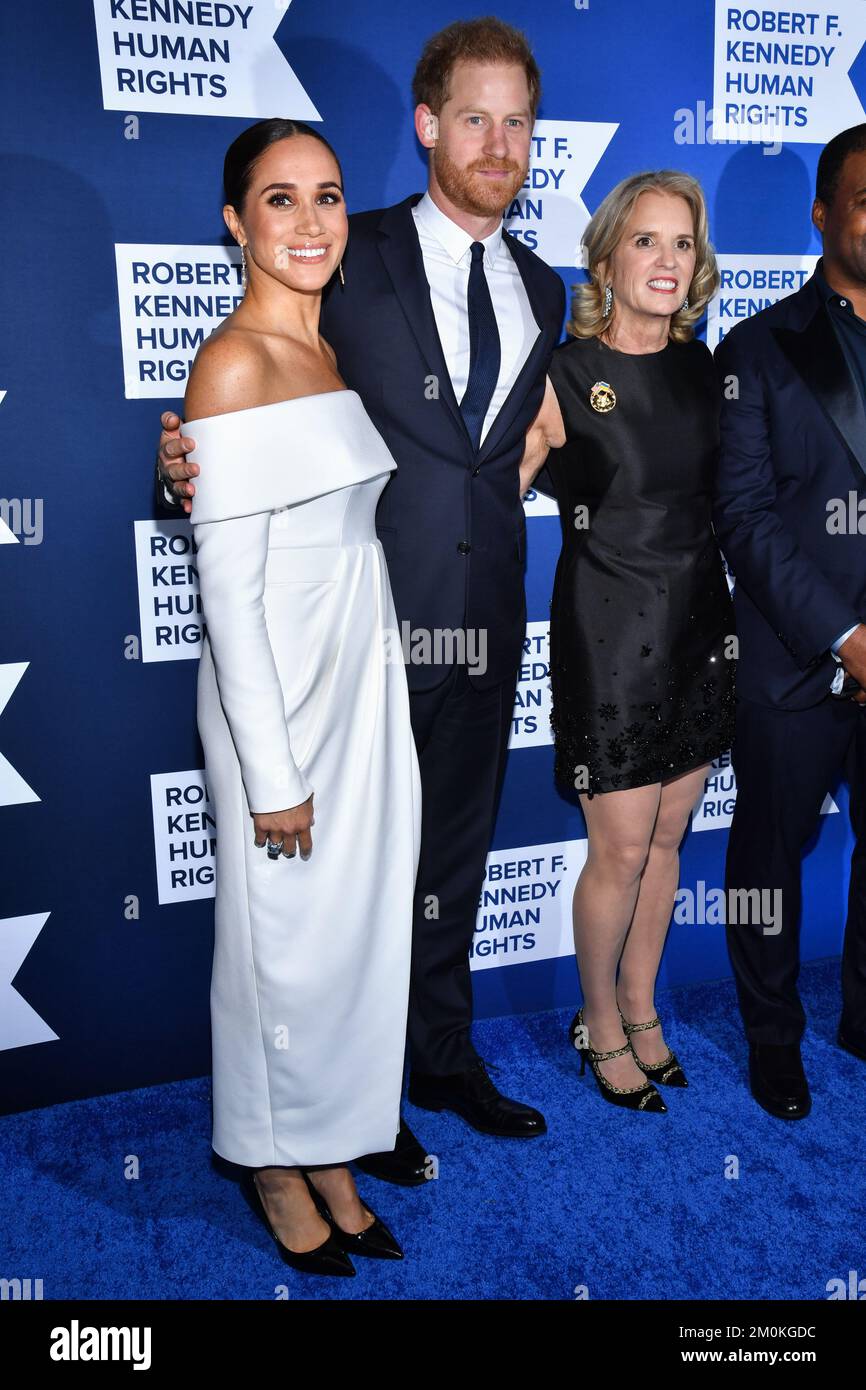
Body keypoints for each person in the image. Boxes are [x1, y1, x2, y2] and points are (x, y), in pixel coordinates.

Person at [156, 18, 564, 1181]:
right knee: (340, 896)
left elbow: (511, 443)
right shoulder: (345, 251)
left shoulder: (540, 282)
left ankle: (434, 1057)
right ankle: (351, 1105)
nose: (498, 142)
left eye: (518, 122)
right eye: (473, 117)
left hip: (484, 622)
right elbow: (254, 395)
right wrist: (181, 462)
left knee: (448, 866)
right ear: (428, 125)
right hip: (361, 642)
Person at [185, 117, 421, 1274]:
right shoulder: (231, 363)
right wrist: (271, 772)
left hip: (354, 683)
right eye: (279, 200)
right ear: (234, 222)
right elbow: (225, 595)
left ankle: (326, 1143)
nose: (311, 220)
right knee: (277, 945)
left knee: (339, 944)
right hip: (272, 695)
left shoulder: (326, 352)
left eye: (326, 194)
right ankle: (271, 1164)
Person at [522, 171, 736, 1111]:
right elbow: (485, 488)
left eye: (681, 243)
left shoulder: (705, 369)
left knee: (666, 842)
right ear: (607, 258)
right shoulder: (563, 374)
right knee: (616, 850)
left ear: (698, 264)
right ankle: (596, 1022)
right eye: (645, 241)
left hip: (701, 627)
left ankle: (643, 1009)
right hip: (608, 634)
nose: (665, 259)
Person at [713, 124, 866, 1120]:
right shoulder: (756, 348)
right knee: (767, 858)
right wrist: (845, 638)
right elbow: (745, 516)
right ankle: (773, 1036)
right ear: (821, 212)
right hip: (791, 661)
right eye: (865, 198)